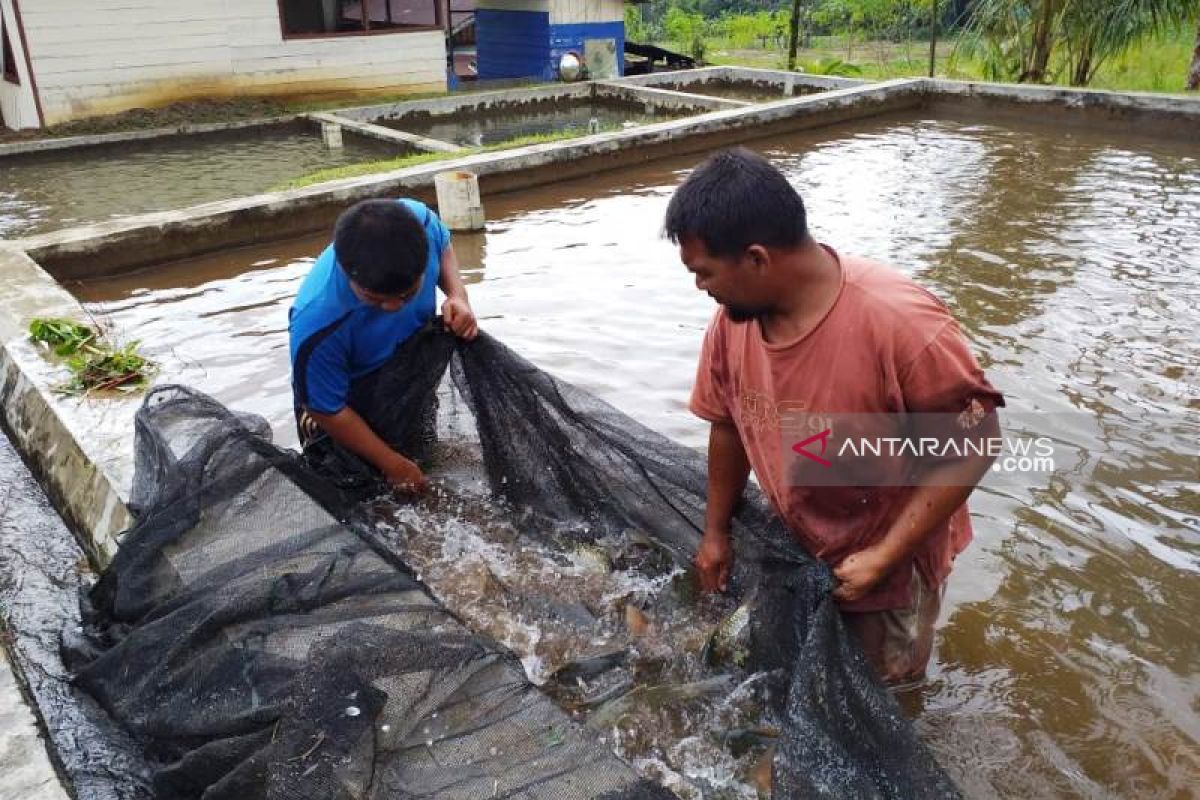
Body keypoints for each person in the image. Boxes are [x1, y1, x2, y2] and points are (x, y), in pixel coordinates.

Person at [667, 148, 1003, 685]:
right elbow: (726, 424)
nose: (700, 288)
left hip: (888, 562)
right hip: (804, 535)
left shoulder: (899, 324)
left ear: (757, 259)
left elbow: (974, 442)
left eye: (705, 273)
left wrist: (883, 556)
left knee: (882, 699)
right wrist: (715, 533)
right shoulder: (732, 323)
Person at [289, 197, 478, 494]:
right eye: (376, 299)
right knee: (366, 497)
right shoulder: (317, 320)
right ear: (347, 271)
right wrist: (393, 464)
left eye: (407, 294)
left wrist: (457, 295)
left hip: (407, 362)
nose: (393, 307)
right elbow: (327, 409)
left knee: (423, 453)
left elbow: (443, 244)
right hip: (350, 400)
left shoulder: (418, 222)